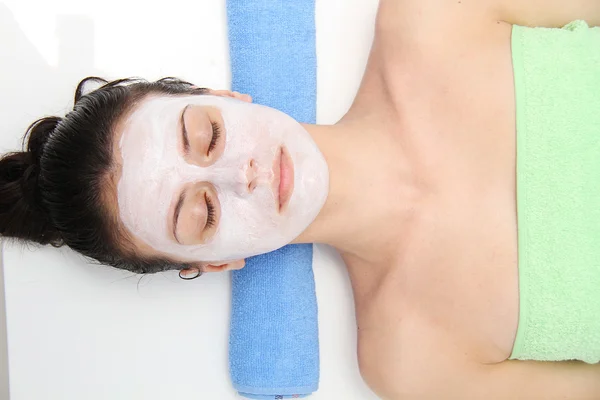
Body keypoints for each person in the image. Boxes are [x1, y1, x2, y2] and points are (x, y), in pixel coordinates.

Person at [2, 0, 600, 398]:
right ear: (215, 264)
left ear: (225, 95)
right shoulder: (411, 356)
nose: (247, 175)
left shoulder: (433, 17)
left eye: (207, 135)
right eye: (202, 212)